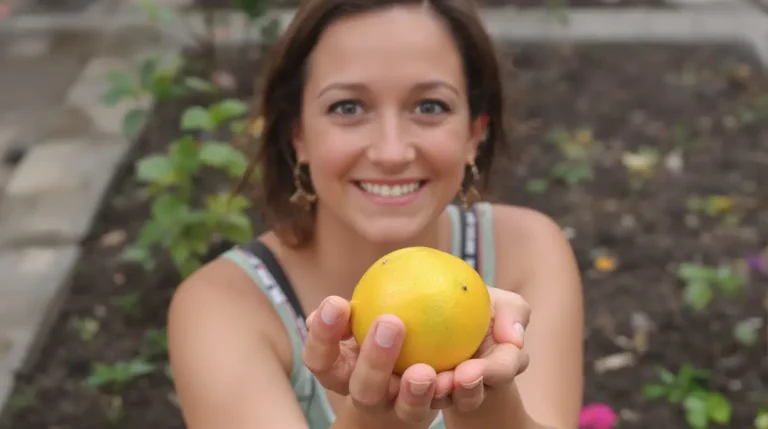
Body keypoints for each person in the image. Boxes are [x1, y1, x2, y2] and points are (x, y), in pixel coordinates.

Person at [167, 0, 585, 427]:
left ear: (474, 135)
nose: (391, 153)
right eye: (348, 107)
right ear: (299, 136)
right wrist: (375, 417)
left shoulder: (528, 252)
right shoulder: (223, 306)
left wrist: (488, 401)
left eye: (429, 107)